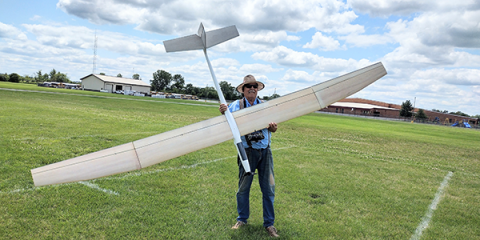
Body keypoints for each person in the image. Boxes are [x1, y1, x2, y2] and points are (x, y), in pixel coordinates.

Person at [219, 75, 279, 237]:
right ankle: (242, 219)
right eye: (248, 86)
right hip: (247, 152)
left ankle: (269, 224)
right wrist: (223, 112)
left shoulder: (265, 106)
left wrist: (273, 128)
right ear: (243, 90)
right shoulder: (235, 106)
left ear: (257, 89)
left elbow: (273, 128)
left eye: (254, 86)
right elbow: (226, 124)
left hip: (265, 151)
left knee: (268, 189)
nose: (252, 88)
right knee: (243, 188)